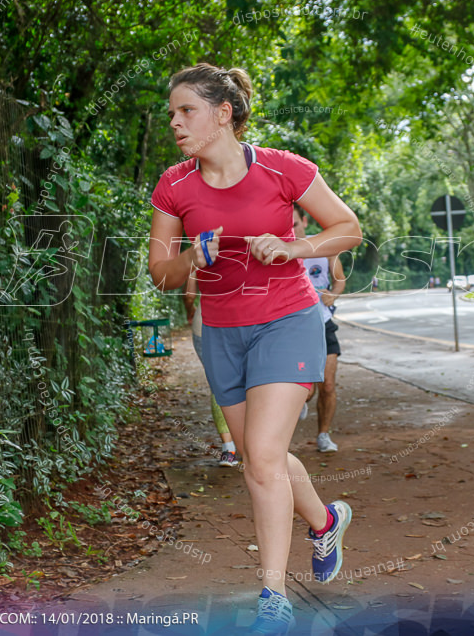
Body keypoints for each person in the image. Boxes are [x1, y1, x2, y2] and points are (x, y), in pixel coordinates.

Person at [147, 63, 362, 635]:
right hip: (222, 332)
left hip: (288, 321)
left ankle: (272, 594)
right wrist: (192, 257)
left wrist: (295, 246)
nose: (175, 121)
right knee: (258, 458)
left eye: (185, 110)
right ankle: (324, 521)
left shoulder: (280, 168)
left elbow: (347, 228)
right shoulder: (174, 186)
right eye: (171, 112)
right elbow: (159, 275)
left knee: (262, 459)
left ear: (223, 114)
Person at [293, 206, 345, 453]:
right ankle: (298, 404)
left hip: (323, 323)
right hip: (293, 328)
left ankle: (324, 435)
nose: (292, 231)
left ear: (303, 221)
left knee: (328, 385)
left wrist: (333, 295)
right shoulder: (277, 251)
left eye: (294, 224)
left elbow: (340, 279)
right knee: (306, 390)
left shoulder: (324, 246)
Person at [184, 273, 240, 467]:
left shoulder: (200, 246)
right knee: (251, 380)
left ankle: (229, 449)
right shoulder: (252, 242)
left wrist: (190, 311)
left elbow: (190, 295)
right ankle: (254, 443)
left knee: (219, 384)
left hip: (205, 320)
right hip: (247, 318)